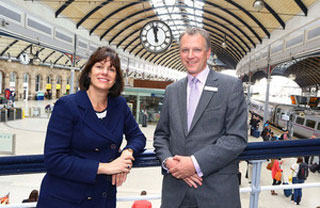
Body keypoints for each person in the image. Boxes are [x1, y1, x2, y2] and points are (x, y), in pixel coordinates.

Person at [37, 46, 146, 208]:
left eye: (111, 69)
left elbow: (138, 137)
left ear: (116, 78)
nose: (105, 72)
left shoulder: (119, 105)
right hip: (65, 199)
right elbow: (54, 160)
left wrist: (126, 155)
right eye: (99, 66)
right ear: (89, 72)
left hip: (102, 197)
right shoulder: (67, 106)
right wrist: (106, 168)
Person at [153, 28, 248, 208]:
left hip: (216, 194)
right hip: (176, 193)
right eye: (184, 50)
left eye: (196, 50)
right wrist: (170, 163)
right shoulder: (172, 91)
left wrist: (194, 164)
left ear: (208, 52)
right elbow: (161, 135)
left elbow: (236, 138)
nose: (190, 56)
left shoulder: (230, 86)